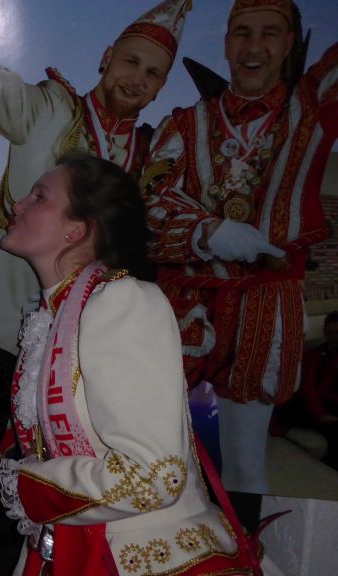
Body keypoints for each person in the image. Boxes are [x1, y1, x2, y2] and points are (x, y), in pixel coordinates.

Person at [0, 0, 191, 418]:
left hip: (84, 335)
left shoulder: (149, 152)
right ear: (106, 58)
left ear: (161, 86)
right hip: (3, 320)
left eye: (152, 73)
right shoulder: (52, 110)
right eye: (131, 62)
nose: (138, 79)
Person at [0, 154, 246, 574]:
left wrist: (27, 484)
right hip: (68, 546)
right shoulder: (51, 318)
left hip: (141, 555)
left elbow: (154, 476)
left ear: (77, 230)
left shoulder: (122, 301)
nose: (17, 205)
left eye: (38, 197)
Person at [145, 0, 338, 493]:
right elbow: (148, 203)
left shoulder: (314, 107)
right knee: (158, 454)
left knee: (245, 465)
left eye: (270, 33)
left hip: (265, 305)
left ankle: (241, 540)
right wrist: (205, 231)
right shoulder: (184, 124)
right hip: (183, 301)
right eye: (242, 33)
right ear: (226, 44)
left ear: (290, 43)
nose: (254, 47)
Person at [272, 311, 338, 468]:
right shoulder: (315, 356)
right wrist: (321, 415)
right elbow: (311, 390)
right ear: (325, 334)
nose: (334, 337)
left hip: (329, 402)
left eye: (337, 332)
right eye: (330, 333)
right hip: (304, 405)